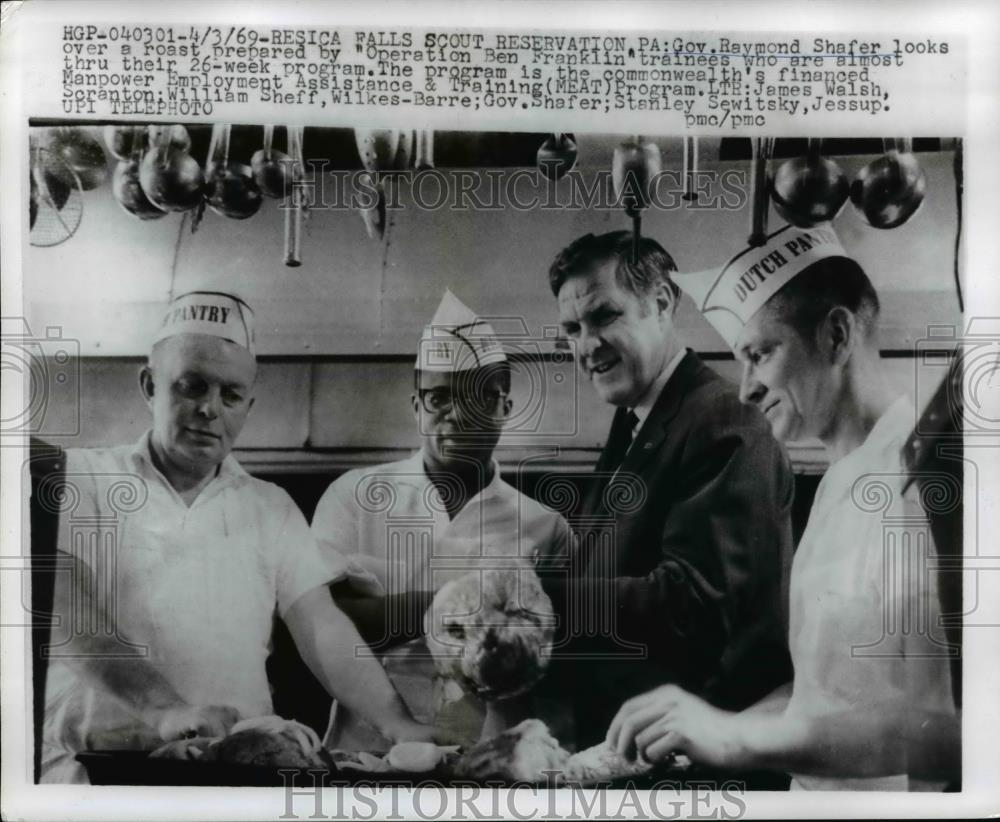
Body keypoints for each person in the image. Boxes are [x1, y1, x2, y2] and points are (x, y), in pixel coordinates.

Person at [607, 223, 957, 790]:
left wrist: (736, 738)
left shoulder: (919, 486)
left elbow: (943, 731)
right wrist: (706, 731)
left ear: (837, 336)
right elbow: (819, 695)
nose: (745, 387)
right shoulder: (840, 478)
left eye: (761, 354)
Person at [41, 292, 432, 783]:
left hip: (235, 774)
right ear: (149, 385)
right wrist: (165, 710)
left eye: (230, 395)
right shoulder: (80, 477)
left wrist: (399, 725)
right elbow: (64, 614)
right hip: (94, 777)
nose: (209, 409)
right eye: (191, 386)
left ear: (249, 404)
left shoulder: (270, 507)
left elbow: (321, 626)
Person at [538, 231, 794, 749]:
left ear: (661, 303)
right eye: (571, 328)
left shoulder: (724, 417)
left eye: (604, 316)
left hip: (698, 758)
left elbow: (694, 603)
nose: (586, 346)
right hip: (631, 748)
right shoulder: (635, 420)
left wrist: (533, 600)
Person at [311, 290, 571, 750]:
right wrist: (465, 608)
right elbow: (320, 622)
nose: (455, 414)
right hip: (367, 752)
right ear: (416, 406)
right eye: (438, 397)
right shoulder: (354, 496)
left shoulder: (545, 526)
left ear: (504, 408)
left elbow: (560, 650)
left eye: (477, 398)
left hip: (492, 757)